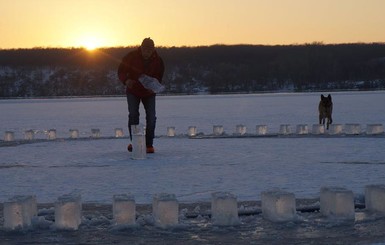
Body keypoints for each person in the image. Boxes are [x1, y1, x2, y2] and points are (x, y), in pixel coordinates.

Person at [118, 38, 165, 153]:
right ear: (141, 48)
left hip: (149, 93)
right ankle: (135, 142)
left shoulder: (158, 61)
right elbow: (121, 71)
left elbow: (159, 77)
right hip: (133, 91)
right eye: (145, 50)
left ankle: (149, 144)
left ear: (153, 49)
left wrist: (154, 86)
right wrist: (126, 80)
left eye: (149, 50)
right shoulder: (131, 56)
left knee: (151, 117)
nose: (147, 53)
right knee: (133, 115)